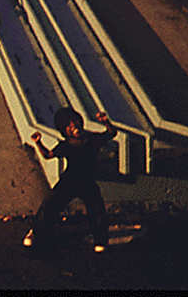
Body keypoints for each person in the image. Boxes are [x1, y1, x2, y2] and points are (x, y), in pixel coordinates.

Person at [23, 108, 117, 254]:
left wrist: (106, 122)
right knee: (50, 205)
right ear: (64, 130)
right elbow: (48, 155)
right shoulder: (66, 145)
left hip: (87, 182)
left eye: (75, 123)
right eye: (69, 126)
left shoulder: (91, 139)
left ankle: (100, 240)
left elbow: (111, 133)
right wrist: (38, 143)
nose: (74, 127)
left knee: (96, 210)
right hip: (69, 181)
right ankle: (37, 232)